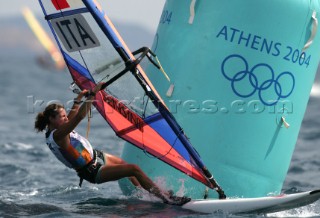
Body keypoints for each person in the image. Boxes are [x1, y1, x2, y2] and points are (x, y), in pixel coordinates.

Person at [34, 83, 190, 206]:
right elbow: (79, 117)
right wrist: (94, 93)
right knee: (134, 169)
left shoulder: (55, 129)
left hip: (97, 157)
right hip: (93, 171)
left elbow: (72, 116)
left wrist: (78, 100)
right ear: (51, 120)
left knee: (126, 167)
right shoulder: (59, 135)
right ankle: (166, 199)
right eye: (62, 117)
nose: (66, 118)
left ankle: (149, 194)